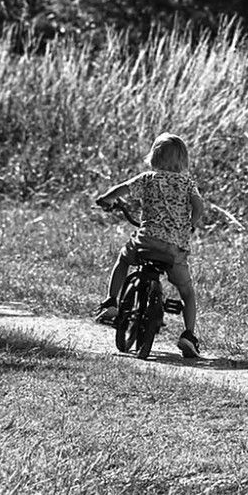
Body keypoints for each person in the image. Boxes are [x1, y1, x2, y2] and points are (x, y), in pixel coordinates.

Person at [94, 132, 205, 358]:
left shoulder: (148, 178)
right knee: (187, 291)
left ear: (153, 157)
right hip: (175, 248)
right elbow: (199, 206)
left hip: (146, 241)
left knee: (124, 259)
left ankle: (111, 302)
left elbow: (122, 188)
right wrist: (191, 224)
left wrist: (106, 198)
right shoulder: (187, 183)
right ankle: (188, 335)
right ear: (184, 161)